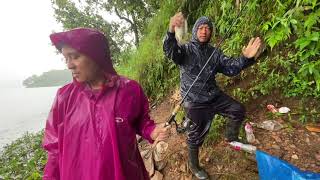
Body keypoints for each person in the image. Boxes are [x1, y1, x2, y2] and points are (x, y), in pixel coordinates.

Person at [42, 27, 170, 180]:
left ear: (96, 56)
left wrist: (152, 131)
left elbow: (141, 121)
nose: (69, 65)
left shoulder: (129, 90)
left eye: (75, 56)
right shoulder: (64, 98)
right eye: (66, 58)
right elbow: (54, 150)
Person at [163, 13, 261, 179]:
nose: (204, 31)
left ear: (211, 32)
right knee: (195, 136)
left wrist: (245, 59)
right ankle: (194, 166)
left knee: (238, 110)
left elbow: (231, 68)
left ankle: (231, 136)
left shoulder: (215, 52)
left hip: (214, 96)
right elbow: (170, 51)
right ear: (195, 31)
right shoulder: (185, 50)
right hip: (194, 101)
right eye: (200, 28)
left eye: (207, 28)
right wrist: (171, 32)